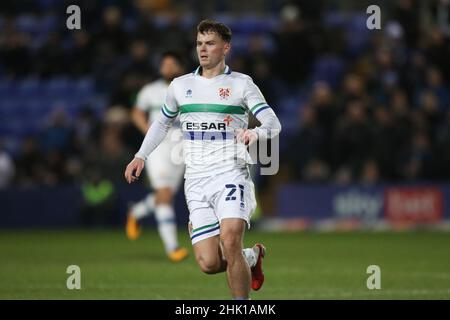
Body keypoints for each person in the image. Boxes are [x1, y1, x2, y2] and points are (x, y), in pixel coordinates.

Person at [125, 20, 281, 299]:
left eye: (210, 43)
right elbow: (160, 124)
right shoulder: (180, 85)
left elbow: (273, 122)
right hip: (196, 180)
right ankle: (252, 257)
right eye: (199, 43)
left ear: (226, 48)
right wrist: (140, 155)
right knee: (209, 263)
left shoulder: (241, 83)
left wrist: (255, 133)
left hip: (231, 173)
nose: (203, 49)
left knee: (230, 239)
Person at [126, 51, 189, 263]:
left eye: (172, 64)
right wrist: (149, 133)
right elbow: (136, 112)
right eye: (165, 64)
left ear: (179, 67)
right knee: (164, 194)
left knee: (166, 195)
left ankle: (137, 210)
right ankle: (173, 248)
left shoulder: (188, 87)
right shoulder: (150, 90)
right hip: (159, 148)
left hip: (182, 147)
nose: (168, 68)